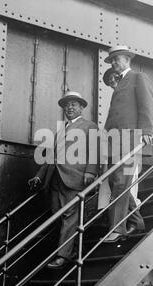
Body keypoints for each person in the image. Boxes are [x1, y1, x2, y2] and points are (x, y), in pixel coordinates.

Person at [28, 91, 99, 269]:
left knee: (69, 217)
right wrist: (38, 175)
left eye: (73, 104)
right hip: (55, 180)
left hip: (74, 178)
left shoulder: (90, 126)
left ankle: (63, 256)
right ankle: (72, 250)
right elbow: (51, 157)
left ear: (82, 107)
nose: (69, 108)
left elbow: (95, 150)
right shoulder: (60, 131)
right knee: (57, 216)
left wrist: (91, 171)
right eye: (66, 105)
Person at [102, 45, 153, 243]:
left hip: (130, 138)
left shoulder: (137, 77)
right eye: (112, 60)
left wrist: (146, 132)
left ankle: (118, 229)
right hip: (115, 141)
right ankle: (137, 221)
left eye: (116, 59)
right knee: (114, 180)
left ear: (127, 59)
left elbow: (148, 105)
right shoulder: (120, 82)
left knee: (121, 181)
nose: (114, 63)